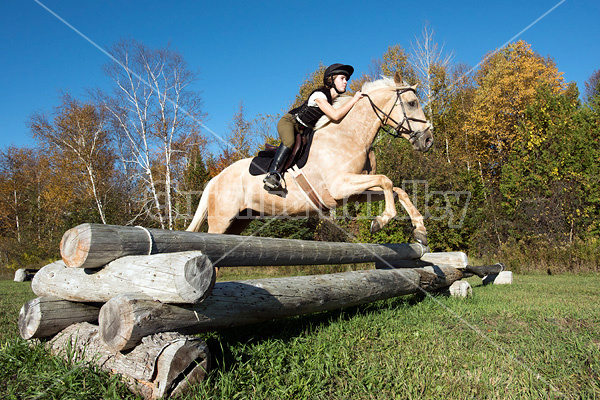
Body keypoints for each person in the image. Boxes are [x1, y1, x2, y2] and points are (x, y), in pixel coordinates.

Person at [263, 63, 364, 191]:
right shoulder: (319, 95)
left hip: (306, 130)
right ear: (331, 80)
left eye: (346, 80)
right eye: (342, 78)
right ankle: (273, 174)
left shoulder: (337, 99)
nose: (346, 82)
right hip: (290, 122)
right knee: (289, 141)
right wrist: (354, 100)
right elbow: (336, 115)